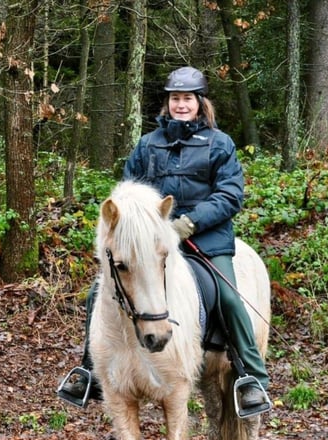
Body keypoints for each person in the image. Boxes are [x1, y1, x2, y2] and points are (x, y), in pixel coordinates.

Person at [58, 66, 270, 415]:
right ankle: (88, 373)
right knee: (98, 292)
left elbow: (230, 195)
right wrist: (145, 227)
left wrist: (189, 223)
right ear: (167, 103)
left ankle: (251, 377)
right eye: (175, 99)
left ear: (200, 103)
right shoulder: (148, 145)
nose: (181, 105)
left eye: (187, 98)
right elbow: (127, 191)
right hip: (151, 243)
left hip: (205, 240)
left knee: (230, 298)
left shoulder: (220, 144)